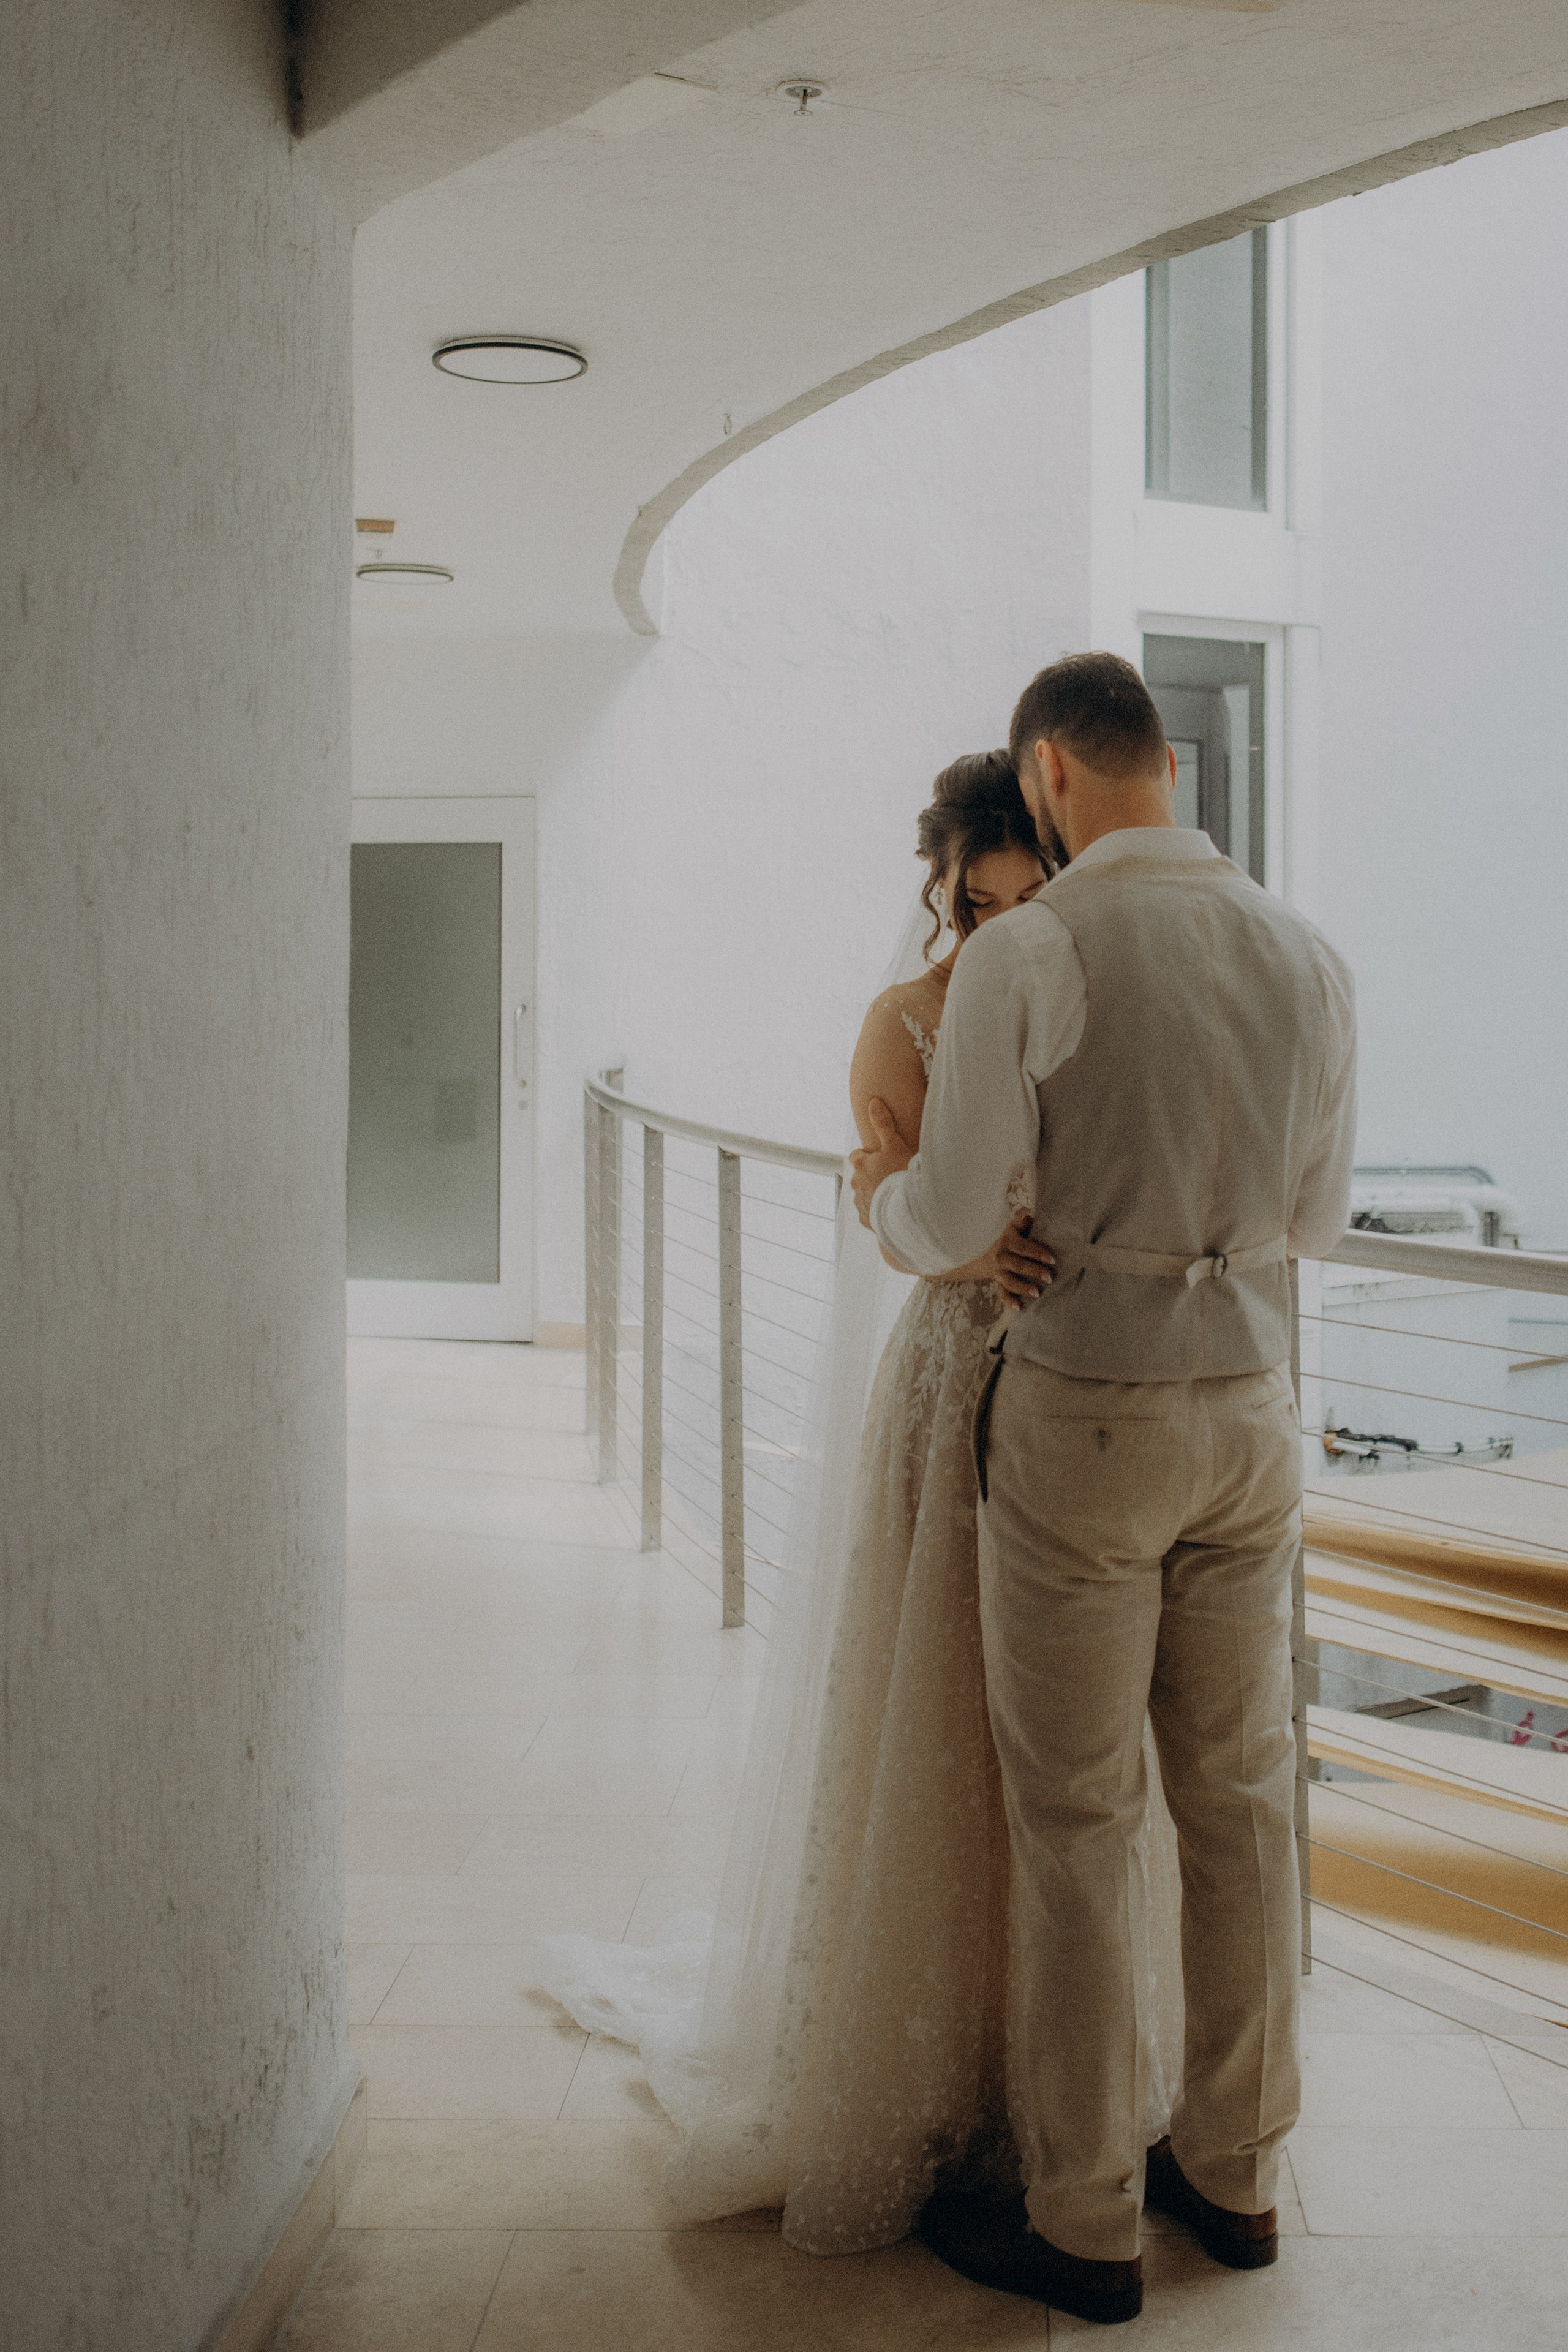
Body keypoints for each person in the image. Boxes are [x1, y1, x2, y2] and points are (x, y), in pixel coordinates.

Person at [537, 751, 1183, 2258]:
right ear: (945, 896)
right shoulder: (901, 1021)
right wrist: (978, 1264)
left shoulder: (1093, 995)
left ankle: (1069, 2085)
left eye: (1026, 890)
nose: (1000, 918)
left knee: (1075, 1743)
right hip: (958, 1373)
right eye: (975, 899)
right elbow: (882, 1203)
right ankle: (932, 2070)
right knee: (939, 1706)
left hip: (1085, 1379)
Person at [852, 652, 1357, 2326]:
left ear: (1050, 773)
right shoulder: (1306, 949)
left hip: (1087, 1411)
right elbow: (1321, 1218)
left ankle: (1082, 2220)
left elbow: (951, 1214)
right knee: (1245, 1798)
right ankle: (1240, 2172)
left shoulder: (1040, 948)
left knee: (1081, 1820)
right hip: (1252, 1408)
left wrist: (885, 1204)